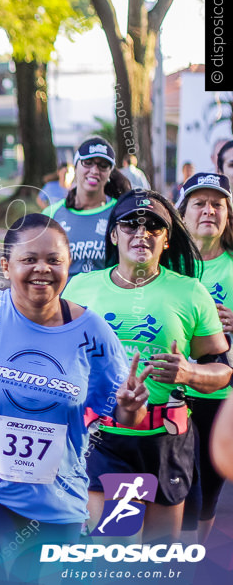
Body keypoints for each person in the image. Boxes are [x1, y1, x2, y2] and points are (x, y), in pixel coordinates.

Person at [0, 214, 147, 580]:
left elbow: (123, 413)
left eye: (54, 260)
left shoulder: (94, 333)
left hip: (57, 495)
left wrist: (133, 406)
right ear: (6, 266)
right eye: (29, 259)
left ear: (68, 265)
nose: (43, 269)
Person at [62, 190, 231, 542]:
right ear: (113, 234)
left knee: (158, 565)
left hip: (167, 442)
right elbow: (57, 362)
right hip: (108, 441)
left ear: (167, 239)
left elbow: (222, 370)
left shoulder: (190, 292)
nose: (142, 233)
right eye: (130, 225)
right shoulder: (81, 288)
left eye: (154, 226)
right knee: (118, 556)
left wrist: (189, 373)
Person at [176, 173, 233, 541]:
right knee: (169, 490)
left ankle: (194, 563)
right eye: (199, 203)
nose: (208, 211)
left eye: (218, 204)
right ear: (182, 213)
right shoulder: (166, 263)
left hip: (220, 396)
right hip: (168, 395)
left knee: (206, 496)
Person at [42, 138, 130, 277]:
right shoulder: (52, 213)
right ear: (76, 167)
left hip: (104, 297)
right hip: (61, 297)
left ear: (109, 173)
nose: (94, 171)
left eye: (103, 166)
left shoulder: (121, 213)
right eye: (87, 163)